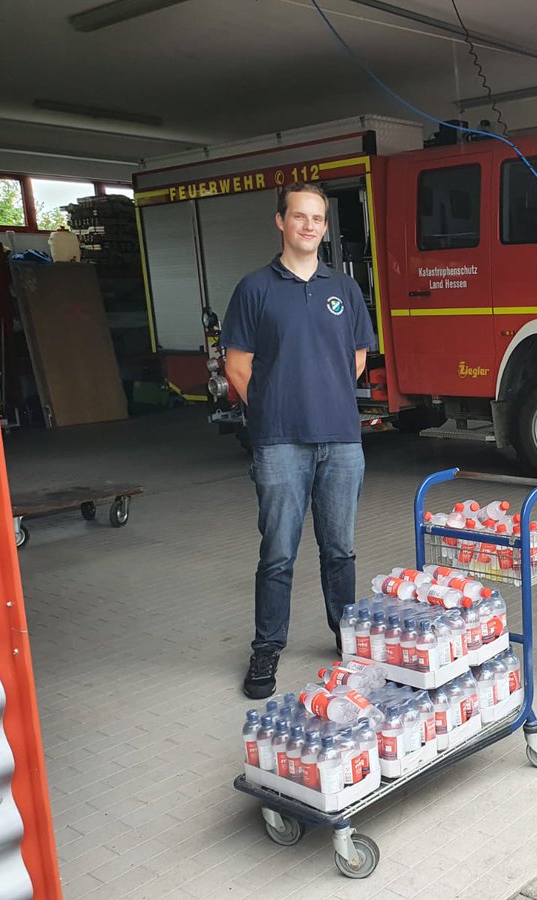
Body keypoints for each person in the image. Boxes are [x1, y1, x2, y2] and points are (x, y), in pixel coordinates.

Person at [222, 182, 377, 699]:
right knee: (278, 554)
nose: (310, 226)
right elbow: (237, 365)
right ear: (280, 222)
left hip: (341, 441)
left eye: (318, 219)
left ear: (325, 227)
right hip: (280, 443)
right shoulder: (254, 288)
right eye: (300, 217)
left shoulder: (345, 289)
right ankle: (267, 648)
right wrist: (273, 411)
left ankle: (346, 638)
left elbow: (356, 357)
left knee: (340, 550)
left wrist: (323, 396)